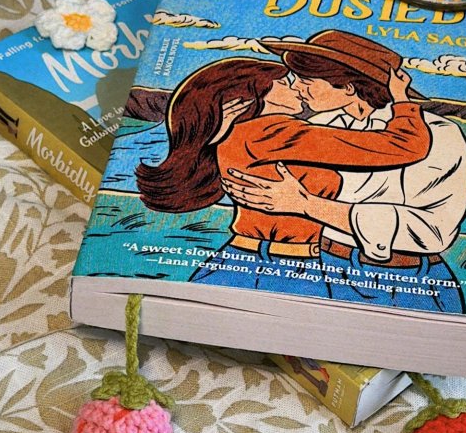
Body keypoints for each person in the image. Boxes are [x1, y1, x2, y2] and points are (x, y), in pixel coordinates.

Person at [222, 29, 466, 314]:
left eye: (306, 81)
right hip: (321, 268)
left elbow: (432, 231)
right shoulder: (320, 125)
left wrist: (307, 205)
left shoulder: (438, 134)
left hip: (405, 282)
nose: (297, 88)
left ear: (349, 87)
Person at [136, 55, 431, 298]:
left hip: (246, 257)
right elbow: (403, 147)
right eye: (286, 82)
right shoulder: (274, 132)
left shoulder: (233, 134)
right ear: (256, 93)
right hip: (284, 266)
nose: (297, 88)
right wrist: (402, 101)